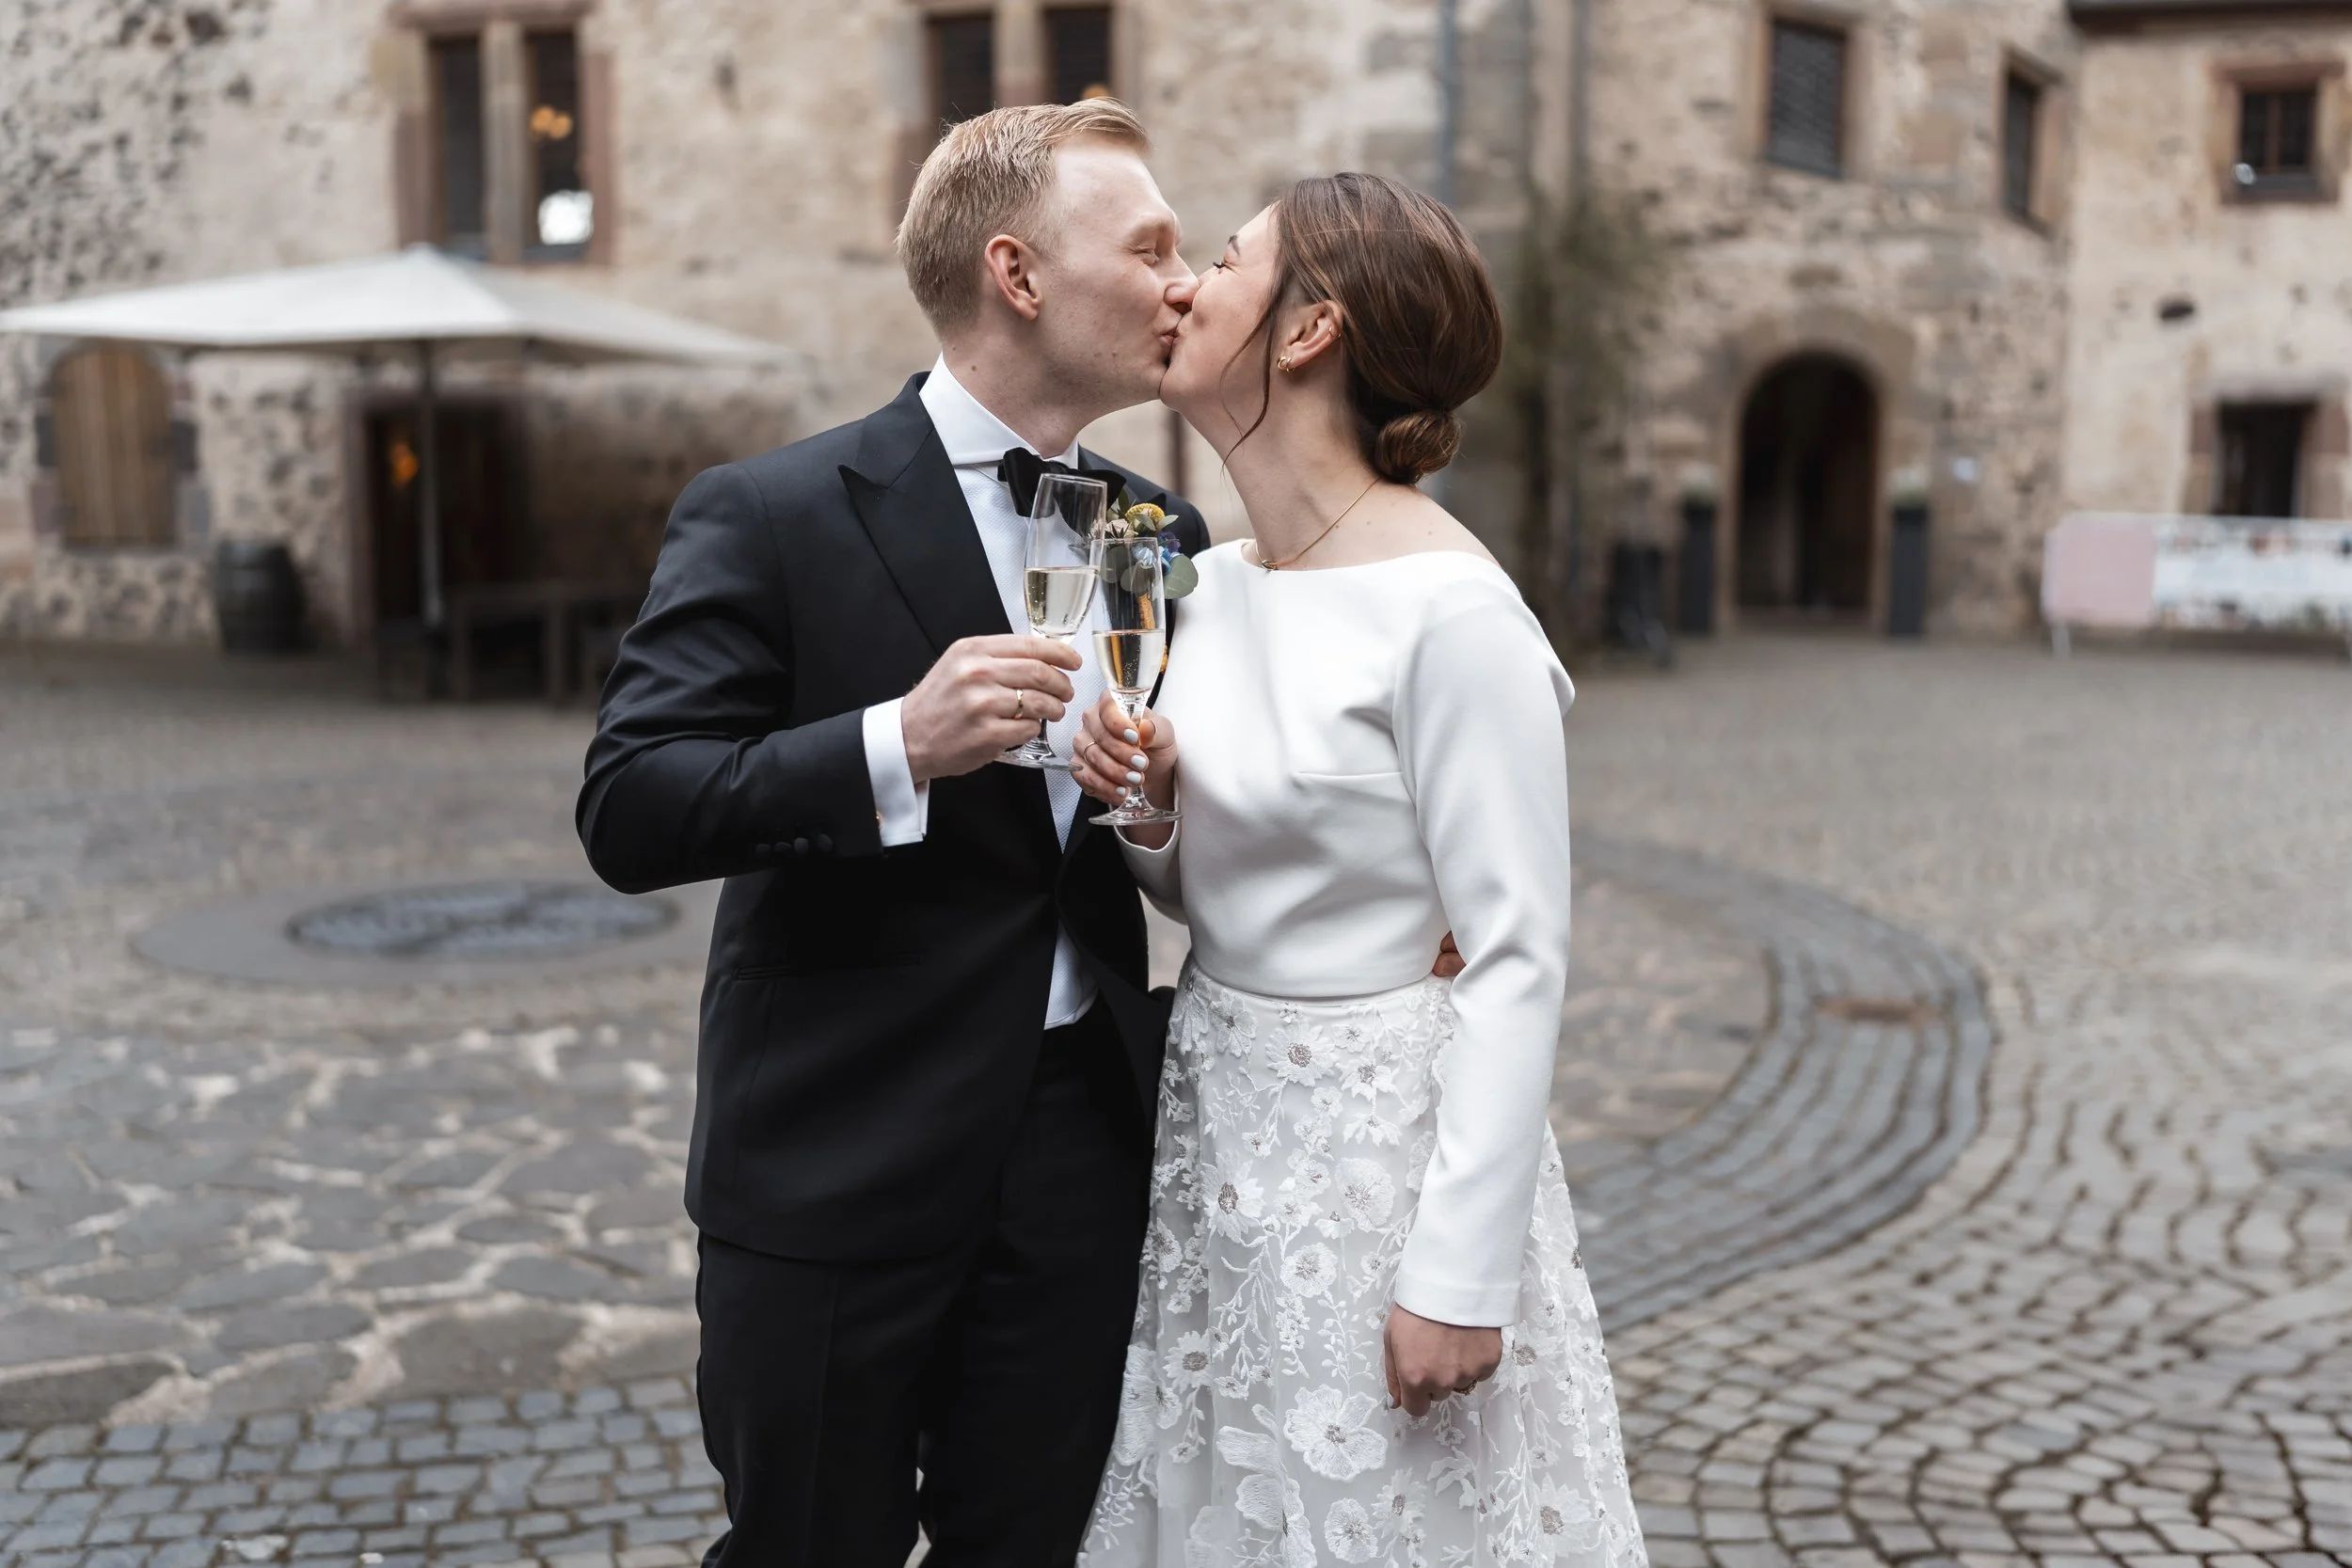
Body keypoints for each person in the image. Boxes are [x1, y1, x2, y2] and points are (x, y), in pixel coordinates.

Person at [577, 101, 1208, 1568]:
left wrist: (1150, 796)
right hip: (835, 1147)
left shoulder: (1154, 534)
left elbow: (1155, 829)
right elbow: (630, 803)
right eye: (1154, 247)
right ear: (1019, 274)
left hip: (1074, 1148)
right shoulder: (772, 511)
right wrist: (893, 743)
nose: (1185, 281)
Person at [1069, 174, 1649, 1567]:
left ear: (1311, 327)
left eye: (1226, 260)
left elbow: (1516, 954)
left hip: (1379, 1160)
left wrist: (1456, 1274)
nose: (1189, 286)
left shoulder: (1454, 613)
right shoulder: (1213, 577)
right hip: (1219, 1125)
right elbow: (1233, 891)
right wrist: (1150, 814)